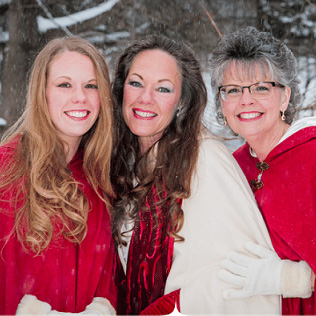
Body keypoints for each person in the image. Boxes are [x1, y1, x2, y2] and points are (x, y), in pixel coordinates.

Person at [111, 34, 280, 315]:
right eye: (136, 83)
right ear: (121, 90)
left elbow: (238, 283)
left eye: (163, 89)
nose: (145, 98)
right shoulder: (123, 166)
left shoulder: (203, 160)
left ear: (182, 101)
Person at [0, 36, 116, 315]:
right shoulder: (7, 168)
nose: (80, 97)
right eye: (65, 84)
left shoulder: (102, 176)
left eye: (91, 85)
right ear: (43, 93)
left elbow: (107, 279)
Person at [209, 26, 316, 315]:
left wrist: (290, 279)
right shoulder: (231, 168)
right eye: (233, 90)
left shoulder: (312, 155)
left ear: (284, 97)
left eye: (261, 87)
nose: (246, 100)